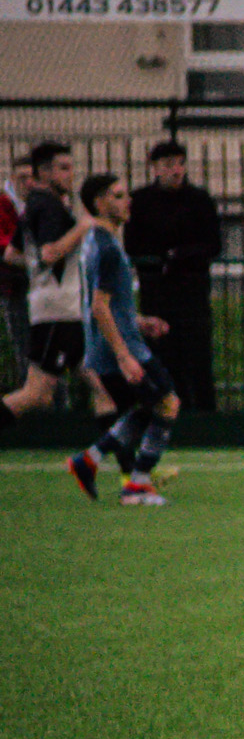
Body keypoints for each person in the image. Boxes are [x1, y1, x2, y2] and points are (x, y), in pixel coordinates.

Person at [64, 172, 180, 506]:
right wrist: (123, 355)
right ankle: (136, 485)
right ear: (99, 203)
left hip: (119, 340)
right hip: (122, 346)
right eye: (118, 196)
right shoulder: (106, 247)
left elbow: (108, 303)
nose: (128, 201)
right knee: (167, 404)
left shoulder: (98, 241)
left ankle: (89, 460)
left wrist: (139, 321)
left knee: (152, 406)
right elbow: (99, 307)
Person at [123, 140, 223, 412]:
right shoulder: (142, 201)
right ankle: (168, 412)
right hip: (157, 294)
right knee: (163, 358)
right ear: (155, 168)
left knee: (198, 358)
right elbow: (133, 246)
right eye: (169, 165)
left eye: (180, 164)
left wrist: (181, 255)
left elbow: (213, 244)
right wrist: (160, 260)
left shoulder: (199, 200)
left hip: (192, 293)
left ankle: (204, 415)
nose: (176, 170)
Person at [0, 143, 92, 438]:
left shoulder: (34, 206)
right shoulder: (49, 207)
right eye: (64, 168)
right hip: (58, 314)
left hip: (59, 310)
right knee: (37, 394)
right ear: (44, 173)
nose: (71, 174)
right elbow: (50, 253)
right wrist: (84, 227)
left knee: (103, 384)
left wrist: (38, 270)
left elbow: (12, 255)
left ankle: (124, 461)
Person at [1, 151, 31, 377]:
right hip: (15, 287)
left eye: (32, 177)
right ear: (12, 179)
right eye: (22, 177)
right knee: (26, 351)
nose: (28, 183)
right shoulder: (5, 204)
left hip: (40, 288)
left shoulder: (41, 203)